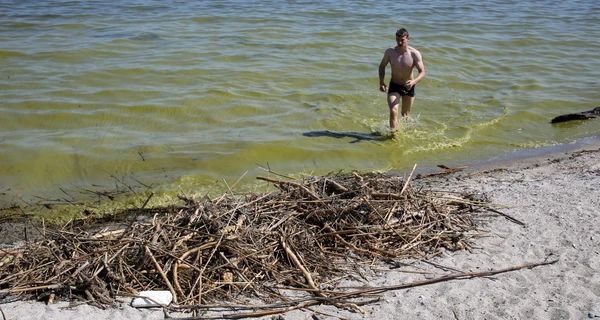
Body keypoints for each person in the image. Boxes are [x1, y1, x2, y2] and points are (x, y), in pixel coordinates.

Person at [378, 28, 426, 132]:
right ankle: (393, 136)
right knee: (393, 110)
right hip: (394, 85)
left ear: (408, 39)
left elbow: (422, 72)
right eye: (397, 39)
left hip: (408, 86)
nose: (399, 42)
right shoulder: (390, 52)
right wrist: (381, 82)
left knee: (405, 114)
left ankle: (404, 132)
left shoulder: (414, 53)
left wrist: (413, 82)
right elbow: (382, 66)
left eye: (402, 40)